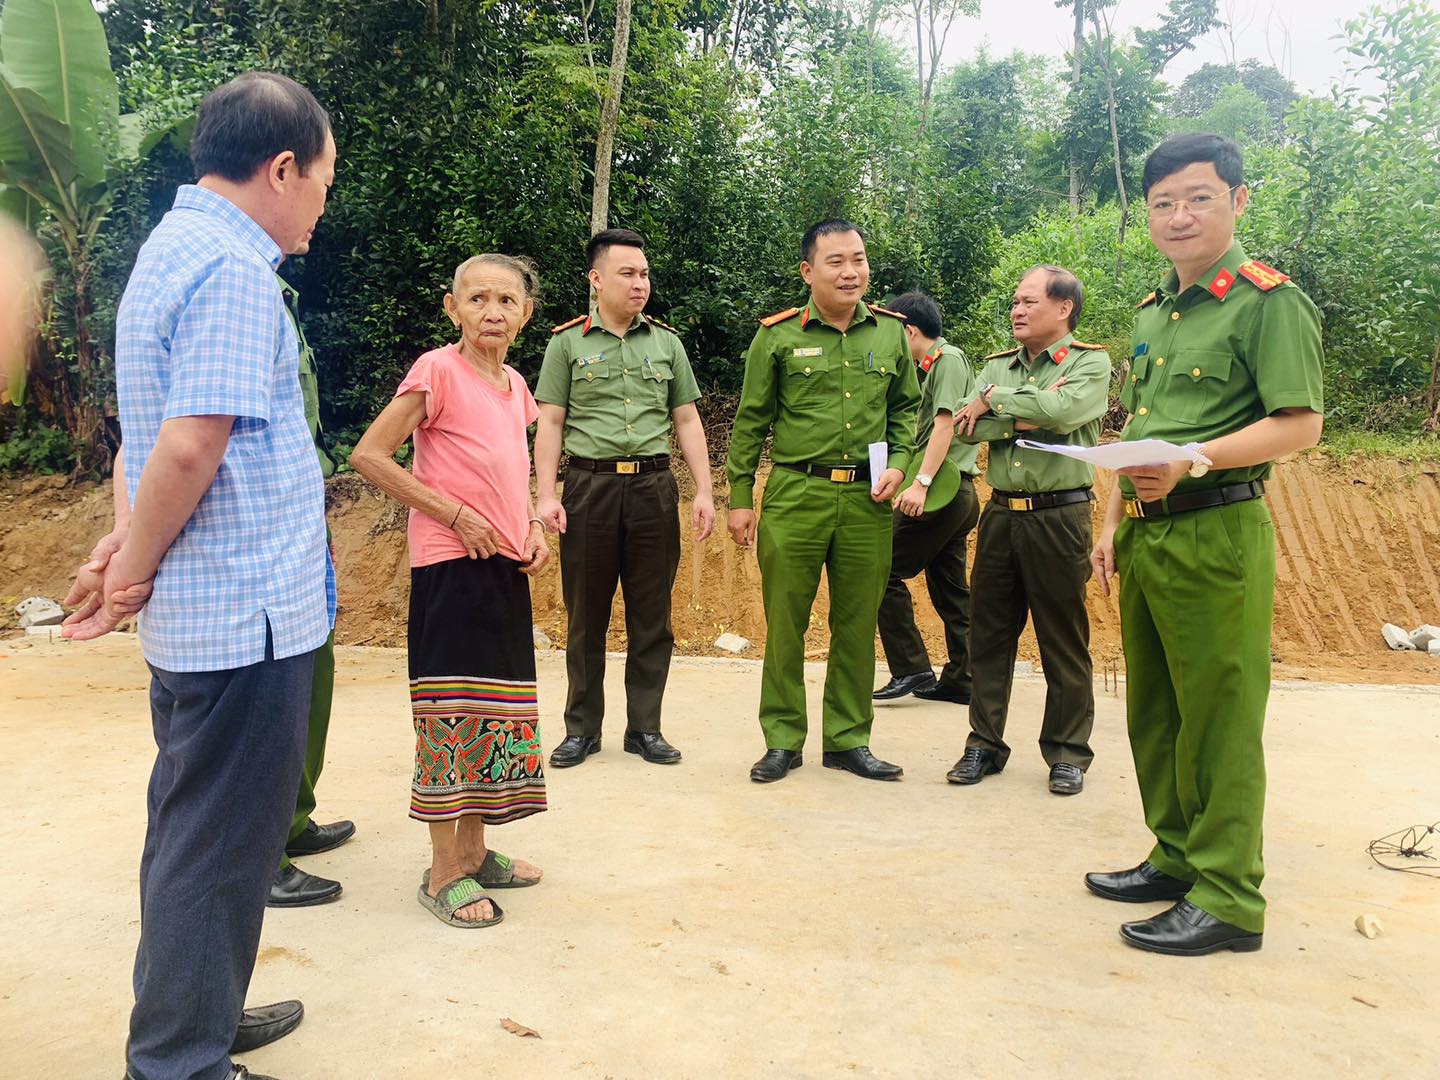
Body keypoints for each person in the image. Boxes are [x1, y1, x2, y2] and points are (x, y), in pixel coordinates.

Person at [62, 71, 337, 1080]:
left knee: (198, 833)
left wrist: (118, 546)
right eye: (321, 182)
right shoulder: (230, 272)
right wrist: (128, 568)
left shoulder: (171, 249)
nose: (320, 207)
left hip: (214, 611)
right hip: (242, 618)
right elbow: (187, 448)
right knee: (216, 848)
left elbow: (151, 440)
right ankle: (179, 1057)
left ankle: (197, 1015)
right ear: (281, 167)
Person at [1087, 133, 1323, 956]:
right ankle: (1178, 855)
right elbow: (1140, 429)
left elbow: (1301, 423)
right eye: (1162, 203)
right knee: (1156, 713)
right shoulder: (1154, 312)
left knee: (1218, 720)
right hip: (1150, 536)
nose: (1179, 217)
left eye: (1198, 198)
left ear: (1238, 201)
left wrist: (1195, 460)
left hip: (1219, 530)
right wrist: (1113, 523)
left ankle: (1229, 897)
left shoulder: (1268, 302)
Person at [351, 253, 549, 928]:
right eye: (478, 299)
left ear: (526, 313)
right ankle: (442, 873)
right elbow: (370, 455)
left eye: (506, 301)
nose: (492, 312)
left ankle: (475, 852)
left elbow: (509, 469)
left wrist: (530, 524)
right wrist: (453, 514)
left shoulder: (515, 385)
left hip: (502, 566)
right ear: (452, 308)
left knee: (496, 712)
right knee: (451, 716)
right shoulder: (437, 370)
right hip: (450, 566)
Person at [726, 219, 920, 783]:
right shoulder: (777, 336)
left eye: (858, 259)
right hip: (795, 493)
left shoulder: (890, 333)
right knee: (786, 622)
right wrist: (740, 497)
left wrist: (902, 465)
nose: (851, 271)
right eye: (836, 261)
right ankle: (783, 739)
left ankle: (847, 740)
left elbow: (906, 408)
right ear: (809, 271)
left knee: (858, 622)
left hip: (867, 497)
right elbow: (750, 422)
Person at [533, 228, 715, 768]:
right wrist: (546, 494)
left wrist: (703, 489)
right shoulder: (567, 344)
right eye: (628, 274)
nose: (641, 285)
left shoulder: (667, 344)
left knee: (651, 615)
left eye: (645, 274)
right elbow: (550, 421)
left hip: (654, 490)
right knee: (585, 614)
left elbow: (686, 419)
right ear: (596, 279)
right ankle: (582, 730)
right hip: (590, 487)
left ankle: (645, 728)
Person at [945, 266, 1110, 796]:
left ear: (1063, 308)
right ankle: (984, 744)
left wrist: (996, 400)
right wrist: (1016, 409)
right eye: (1014, 302)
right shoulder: (997, 365)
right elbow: (974, 427)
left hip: (1060, 515)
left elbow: (1066, 414)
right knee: (988, 634)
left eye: (1028, 301)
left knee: (1061, 637)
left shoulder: (1091, 362)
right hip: (1000, 514)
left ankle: (1067, 752)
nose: (1016, 310)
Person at [266, 265, 355, 910]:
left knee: (312, 668)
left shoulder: (279, 294)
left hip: (300, 512)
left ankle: (292, 820)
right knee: (270, 689)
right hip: (263, 526)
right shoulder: (234, 287)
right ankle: (262, 855)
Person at [871, 291, 982, 706]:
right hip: (951, 493)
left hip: (942, 491)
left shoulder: (947, 359)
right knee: (951, 589)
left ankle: (911, 666)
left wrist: (919, 482)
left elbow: (945, 425)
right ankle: (965, 677)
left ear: (909, 330)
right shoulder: (925, 369)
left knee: (881, 570)